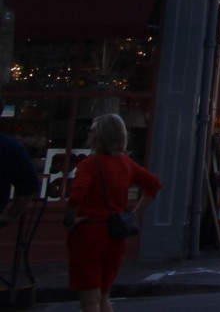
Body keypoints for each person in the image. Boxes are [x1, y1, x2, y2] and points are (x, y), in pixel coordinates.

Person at [65, 113, 161, 312]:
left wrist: (70, 217)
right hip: (115, 232)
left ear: (99, 135)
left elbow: (76, 196)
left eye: (91, 130)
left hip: (90, 231)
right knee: (104, 295)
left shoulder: (90, 164)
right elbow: (154, 185)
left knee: (90, 297)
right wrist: (135, 213)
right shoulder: (126, 163)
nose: (88, 134)